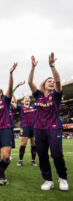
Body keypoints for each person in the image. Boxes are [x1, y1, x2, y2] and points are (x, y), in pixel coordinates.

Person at [28, 54, 68, 191]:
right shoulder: (38, 96)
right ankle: (48, 180)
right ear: (43, 84)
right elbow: (30, 83)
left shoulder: (56, 96)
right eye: (48, 81)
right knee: (42, 155)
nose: (52, 82)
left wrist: (52, 66)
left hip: (54, 128)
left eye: (53, 81)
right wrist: (33, 67)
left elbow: (58, 82)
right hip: (39, 129)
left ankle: (62, 178)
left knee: (57, 154)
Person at [10, 82, 37, 167]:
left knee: (34, 144)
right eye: (25, 98)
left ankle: (33, 160)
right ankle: (20, 160)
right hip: (24, 127)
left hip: (34, 127)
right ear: (22, 101)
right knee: (23, 144)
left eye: (28, 98)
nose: (27, 99)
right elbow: (9, 100)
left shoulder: (34, 106)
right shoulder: (20, 108)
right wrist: (15, 87)